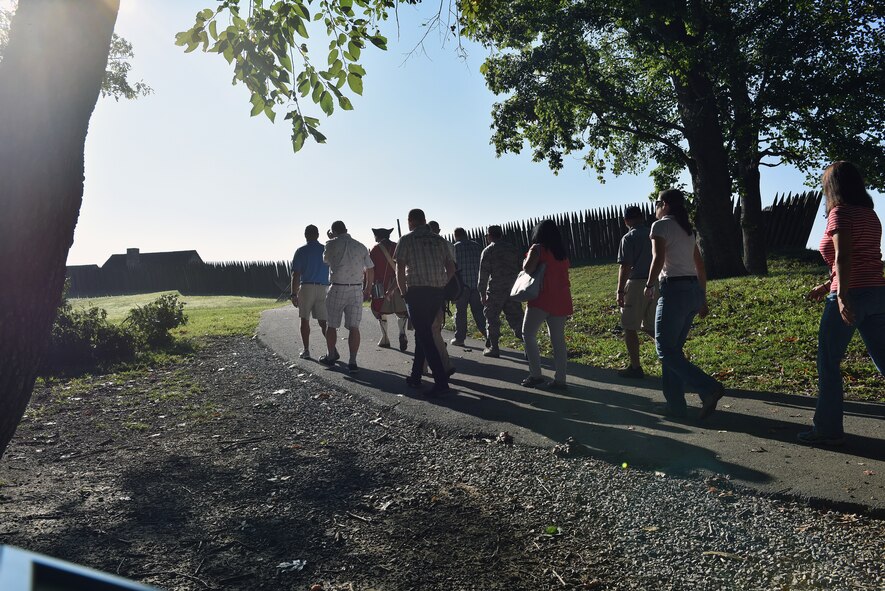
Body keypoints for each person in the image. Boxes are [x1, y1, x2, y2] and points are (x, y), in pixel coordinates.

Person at [801, 161, 885, 446]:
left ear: (832, 185)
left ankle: (827, 429)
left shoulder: (839, 213)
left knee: (828, 362)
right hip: (877, 292)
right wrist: (826, 284)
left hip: (851, 293)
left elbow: (844, 258)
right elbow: (866, 257)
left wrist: (840, 295)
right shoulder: (869, 214)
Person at [644, 189, 725, 419]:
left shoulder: (659, 226)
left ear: (666, 204)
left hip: (674, 290)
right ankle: (675, 405)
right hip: (692, 291)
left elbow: (658, 258)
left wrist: (649, 284)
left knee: (664, 350)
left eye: (657, 202)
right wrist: (702, 297)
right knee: (673, 351)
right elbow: (700, 266)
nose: (656, 206)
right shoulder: (687, 229)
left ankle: (708, 387)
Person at [395, 209, 457, 396]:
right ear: (425, 220)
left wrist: (404, 293)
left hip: (416, 292)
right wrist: (441, 283)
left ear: (411, 221)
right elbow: (451, 267)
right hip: (437, 293)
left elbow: (399, 269)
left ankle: (441, 381)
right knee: (422, 334)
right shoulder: (440, 240)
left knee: (425, 336)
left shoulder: (406, 239)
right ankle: (415, 377)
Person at [520, 220, 573, 389]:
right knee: (558, 339)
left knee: (528, 334)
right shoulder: (561, 252)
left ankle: (536, 374)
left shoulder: (537, 249)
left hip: (541, 298)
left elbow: (527, 269)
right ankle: (560, 379)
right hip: (561, 298)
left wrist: (526, 259)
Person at [320, 220, 374, 373]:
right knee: (354, 326)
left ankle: (331, 356)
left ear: (334, 231)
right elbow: (370, 268)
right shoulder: (361, 246)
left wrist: (330, 239)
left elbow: (326, 260)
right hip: (356, 289)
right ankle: (353, 361)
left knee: (332, 324)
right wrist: (368, 288)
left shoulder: (330, 244)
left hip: (337, 287)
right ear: (346, 229)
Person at [616, 206, 657, 378]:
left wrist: (619, 290)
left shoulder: (628, 238)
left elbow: (625, 266)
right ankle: (673, 358)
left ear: (626, 221)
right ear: (642, 217)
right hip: (655, 283)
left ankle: (635, 367)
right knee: (652, 325)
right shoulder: (653, 234)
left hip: (636, 284)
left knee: (629, 326)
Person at [478, 225, 524, 357]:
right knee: (517, 319)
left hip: (495, 291)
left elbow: (483, 275)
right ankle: (529, 347)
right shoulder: (513, 249)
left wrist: (482, 294)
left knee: (492, 319)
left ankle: (494, 348)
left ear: (489, 236)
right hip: (512, 290)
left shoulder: (488, 251)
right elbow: (521, 268)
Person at [290, 224, 329, 360]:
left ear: (305, 235)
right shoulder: (325, 249)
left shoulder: (301, 251)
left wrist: (294, 294)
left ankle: (306, 350)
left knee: (305, 319)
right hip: (323, 287)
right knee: (324, 321)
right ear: (318, 235)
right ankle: (332, 349)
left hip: (306, 287)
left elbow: (296, 274)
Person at [369, 227, 408, 352]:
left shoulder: (375, 249)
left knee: (380, 310)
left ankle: (385, 338)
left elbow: (371, 269)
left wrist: (369, 286)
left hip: (382, 285)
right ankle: (402, 332)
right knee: (401, 310)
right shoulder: (398, 246)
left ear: (378, 236)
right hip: (398, 283)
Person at [425, 220, 454, 376]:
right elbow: (452, 267)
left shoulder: (420, 244)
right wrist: (443, 283)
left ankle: (442, 364)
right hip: (440, 290)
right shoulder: (446, 244)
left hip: (422, 291)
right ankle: (431, 365)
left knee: (426, 331)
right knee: (434, 329)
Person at [450, 227, 486, 347]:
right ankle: (489, 336)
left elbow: (452, 267)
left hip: (462, 286)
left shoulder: (455, 248)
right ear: (465, 234)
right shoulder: (477, 246)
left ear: (456, 235)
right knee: (479, 312)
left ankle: (460, 339)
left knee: (460, 313)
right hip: (477, 285)